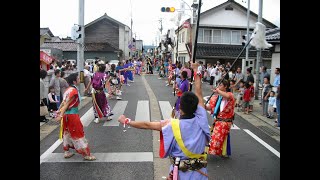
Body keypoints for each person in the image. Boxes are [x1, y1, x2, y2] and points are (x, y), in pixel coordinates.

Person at [118, 62, 210, 179]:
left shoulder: (172, 125)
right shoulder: (201, 118)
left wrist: (127, 120)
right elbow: (199, 92)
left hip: (180, 175)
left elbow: (147, 125)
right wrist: (196, 69)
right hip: (200, 174)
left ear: (180, 109)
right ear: (196, 106)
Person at [55, 73, 96, 161]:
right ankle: (86, 154)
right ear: (74, 81)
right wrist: (60, 114)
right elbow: (66, 104)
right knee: (78, 133)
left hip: (66, 115)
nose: (79, 80)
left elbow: (63, 103)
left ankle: (66, 152)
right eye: (77, 78)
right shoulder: (73, 91)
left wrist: (59, 111)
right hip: (72, 115)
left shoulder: (68, 90)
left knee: (67, 133)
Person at [206, 79, 235, 157]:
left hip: (225, 121)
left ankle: (213, 150)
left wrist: (218, 91)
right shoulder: (217, 97)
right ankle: (224, 152)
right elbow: (210, 107)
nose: (218, 87)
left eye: (220, 85)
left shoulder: (230, 95)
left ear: (226, 87)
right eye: (218, 85)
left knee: (216, 137)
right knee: (215, 136)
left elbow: (227, 96)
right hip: (218, 120)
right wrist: (204, 106)